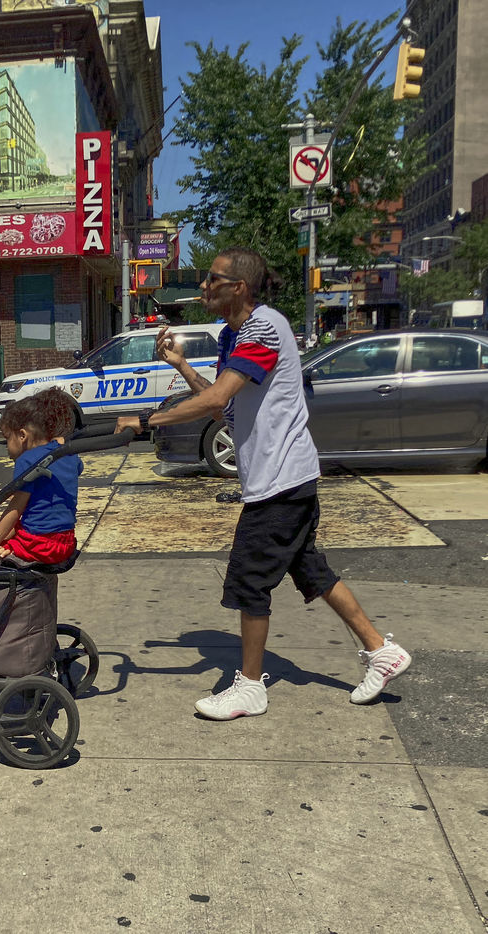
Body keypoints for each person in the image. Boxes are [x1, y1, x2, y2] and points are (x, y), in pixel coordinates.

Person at [116, 246, 412, 720]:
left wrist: (147, 420)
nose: (204, 286)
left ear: (239, 288)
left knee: (249, 581)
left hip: (281, 481)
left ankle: (251, 686)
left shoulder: (264, 327)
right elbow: (225, 408)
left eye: (213, 279)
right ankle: (381, 651)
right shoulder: (232, 335)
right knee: (311, 572)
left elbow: (217, 398)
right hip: (284, 478)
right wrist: (181, 366)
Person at [0, 387, 81, 565]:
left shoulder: (28, 460)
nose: (7, 446)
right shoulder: (68, 454)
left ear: (22, 435)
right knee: (13, 533)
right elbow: (78, 468)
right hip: (65, 542)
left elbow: (16, 508)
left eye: (7, 438)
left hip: (40, 544)